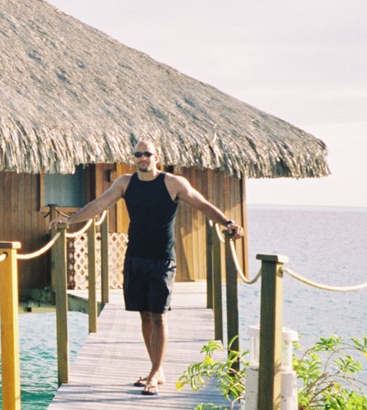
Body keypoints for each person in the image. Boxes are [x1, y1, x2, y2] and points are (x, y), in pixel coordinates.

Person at [49, 139, 244, 396]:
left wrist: (227, 222)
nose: (142, 158)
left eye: (147, 154)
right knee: (144, 315)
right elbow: (98, 205)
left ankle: (154, 373)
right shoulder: (125, 183)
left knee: (159, 315)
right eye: (138, 154)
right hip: (135, 257)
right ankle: (157, 368)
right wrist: (70, 220)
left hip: (162, 259)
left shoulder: (173, 183)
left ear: (156, 156)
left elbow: (202, 204)